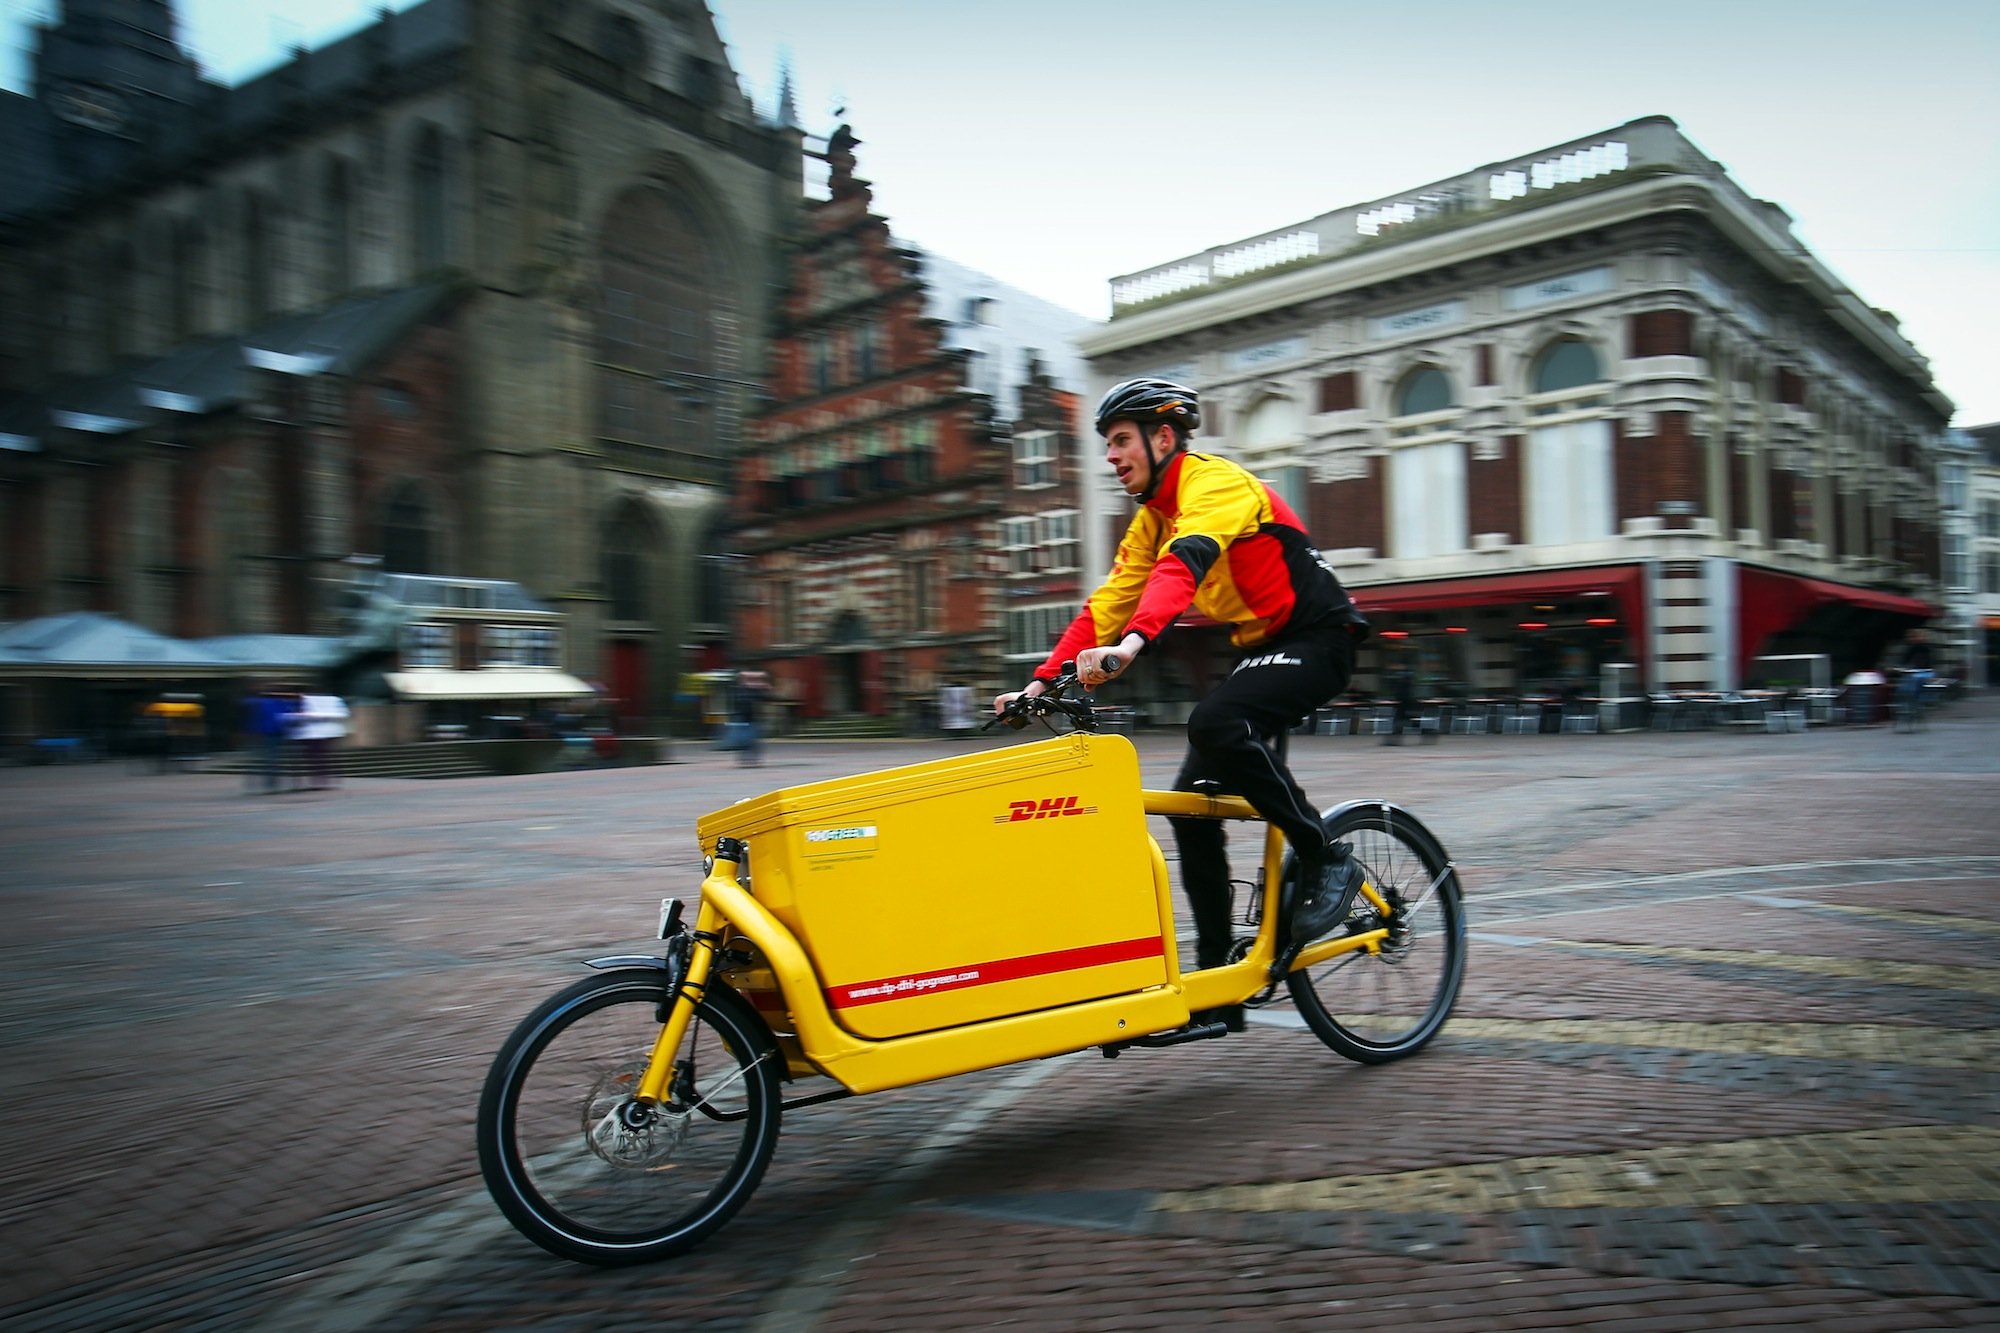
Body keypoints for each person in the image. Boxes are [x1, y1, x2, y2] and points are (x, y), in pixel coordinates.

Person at [993, 378, 1371, 1029]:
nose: (1110, 456)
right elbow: (1106, 603)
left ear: (1162, 437)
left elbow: (1185, 563)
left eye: (1119, 440)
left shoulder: (1214, 483)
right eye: (1107, 444)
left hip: (1320, 638)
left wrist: (1135, 643)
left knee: (1216, 720)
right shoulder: (1150, 521)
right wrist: (1036, 686)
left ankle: (1327, 856)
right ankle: (1221, 986)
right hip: (1261, 647)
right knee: (1193, 805)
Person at [291, 690, 351, 790]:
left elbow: (343, 714)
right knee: (318, 757)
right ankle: (321, 778)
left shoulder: (329, 700)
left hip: (321, 733)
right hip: (314, 734)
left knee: (321, 757)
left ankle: (323, 778)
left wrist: (312, 715)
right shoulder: (308, 701)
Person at [1892, 628, 1934, 732]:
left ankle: (1911, 705)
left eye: (1914, 637)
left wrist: (1910, 667)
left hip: (1923, 674)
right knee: (1906, 685)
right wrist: (1899, 667)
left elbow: (1926, 663)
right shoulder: (1911, 648)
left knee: (1912, 685)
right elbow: (1903, 660)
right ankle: (1907, 706)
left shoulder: (1924, 648)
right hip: (1915, 674)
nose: (1912, 639)